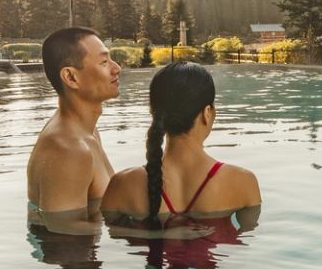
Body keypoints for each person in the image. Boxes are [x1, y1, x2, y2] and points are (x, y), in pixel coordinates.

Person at [102, 60, 260, 238]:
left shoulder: (122, 183)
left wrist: (157, 235)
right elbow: (247, 241)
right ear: (207, 113)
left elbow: (108, 232)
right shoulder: (243, 181)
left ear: (153, 113)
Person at [25, 27, 121, 235]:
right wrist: (156, 234)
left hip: (89, 256)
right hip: (76, 261)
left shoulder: (87, 132)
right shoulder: (68, 149)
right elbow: (62, 234)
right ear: (71, 77)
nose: (116, 68)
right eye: (104, 62)